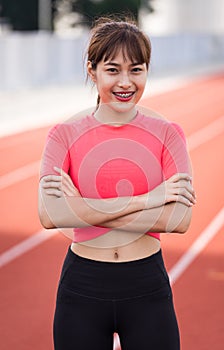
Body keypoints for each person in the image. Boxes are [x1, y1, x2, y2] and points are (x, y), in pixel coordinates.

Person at [38, 17, 196, 350]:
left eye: (136, 70)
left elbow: (180, 220)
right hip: (82, 287)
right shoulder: (63, 135)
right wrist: (150, 198)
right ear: (92, 70)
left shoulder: (168, 134)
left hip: (146, 287)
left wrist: (81, 207)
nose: (125, 82)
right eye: (113, 70)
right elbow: (50, 216)